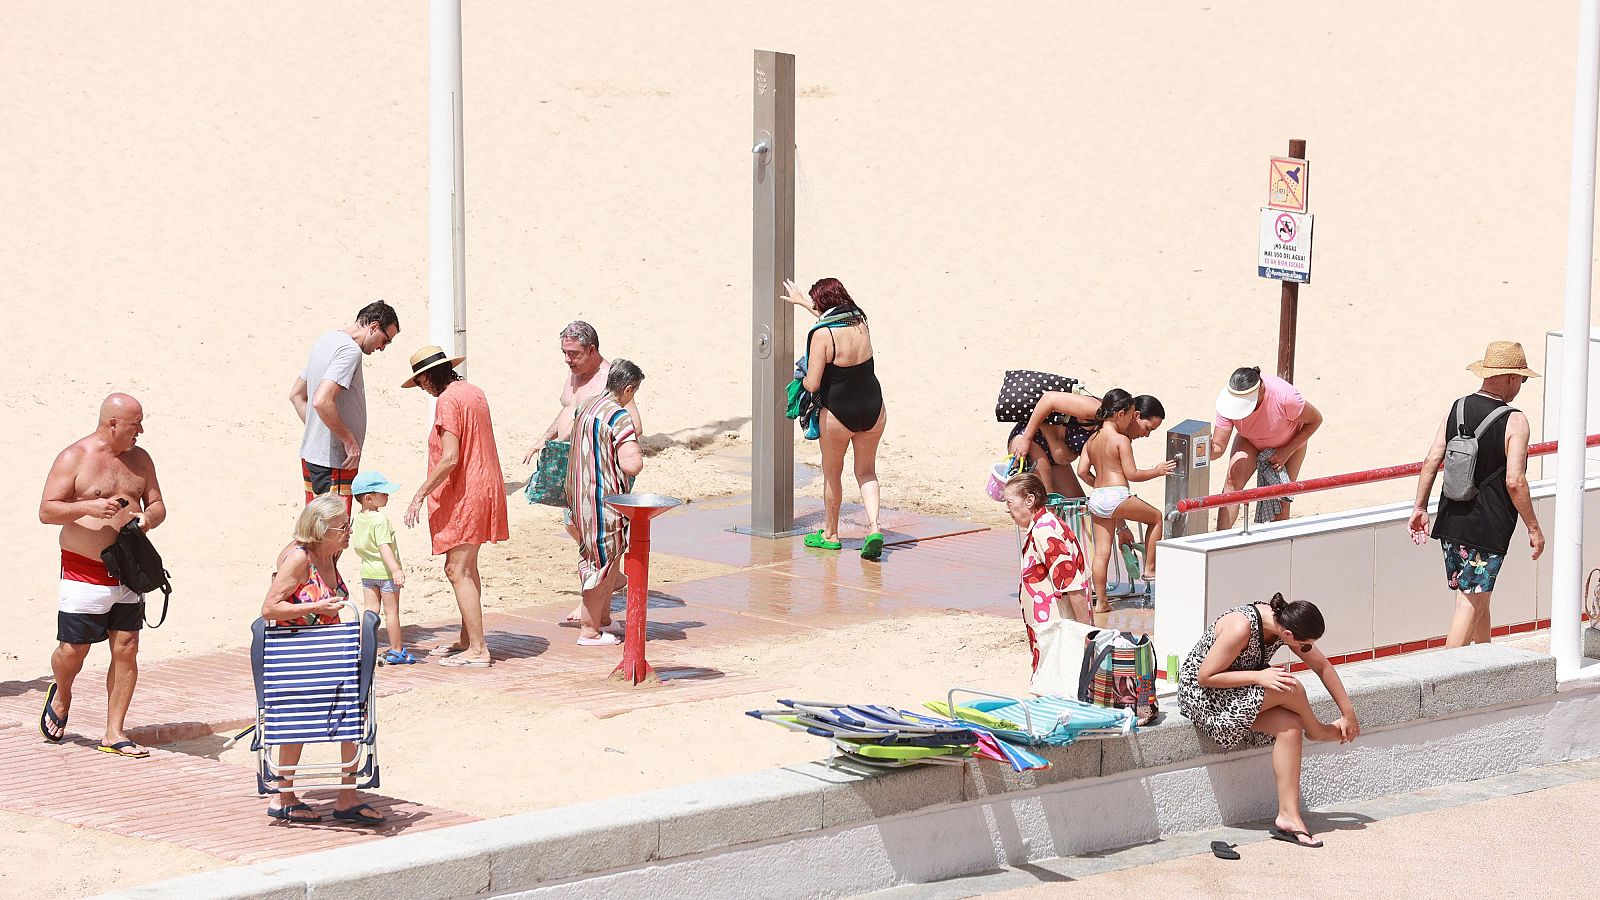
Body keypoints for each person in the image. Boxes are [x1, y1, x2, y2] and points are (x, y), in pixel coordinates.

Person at [37, 393, 167, 758]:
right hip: (83, 569)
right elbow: (47, 511)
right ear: (113, 423)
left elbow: (157, 505)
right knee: (73, 649)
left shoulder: (141, 460)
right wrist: (90, 506)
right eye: (134, 424)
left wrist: (147, 519)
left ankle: (114, 731)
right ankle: (62, 694)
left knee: (126, 646)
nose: (140, 431)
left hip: (128, 568)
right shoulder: (75, 457)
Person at [1178, 593, 1359, 848]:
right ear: (1289, 636)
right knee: (1291, 687)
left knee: (1291, 727)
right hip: (1205, 699)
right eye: (1305, 645)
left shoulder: (1284, 623)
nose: (1306, 650)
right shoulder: (1241, 627)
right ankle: (1317, 731)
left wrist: (1348, 713)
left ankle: (1288, 817)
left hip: (1238, 691)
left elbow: (1323, 667)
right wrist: (1259, 677)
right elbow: (1205, 676)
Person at [1408, 341, 1544, 648]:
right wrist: (1534, 527)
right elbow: (1515, 481)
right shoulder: (1515, 420)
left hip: (1451, 519)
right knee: (1468, 604)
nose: (1520, 386)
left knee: (1479, 597)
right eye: (1521, 380)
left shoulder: (1457, 407)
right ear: (1511, 377)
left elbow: (1431, 459)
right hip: (1487, 526)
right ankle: (1442, 684)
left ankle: (1484, 660)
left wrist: (1419, 507)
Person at [259, 494, 385, 825]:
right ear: (319, 529)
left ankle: (347, 795)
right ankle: (284, 796)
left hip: (327, 648)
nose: (348, 531)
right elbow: (269, 608)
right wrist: (314, 607)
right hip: (296, 653)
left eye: (348, 525)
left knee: (350, 715)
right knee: (295, 720)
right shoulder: (299, 559)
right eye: (341, 527)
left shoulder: (331, 552)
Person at [519, 321, 641, 624]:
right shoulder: (573, 375)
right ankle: (604, 588)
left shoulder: (610, 378)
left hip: (596, 469)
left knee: (593, 533)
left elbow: (633, 424)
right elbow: (567, 410)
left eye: (573, 353)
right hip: (570, 462)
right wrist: (544, 438)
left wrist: (600, 449)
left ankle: (595, 605)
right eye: (564, 352)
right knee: (576, 528)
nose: (567, 359)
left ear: (592, 349)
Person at [401, 346, 510, 668]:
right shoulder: (472, 391)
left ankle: (478, 649)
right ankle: (468, 639)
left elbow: (450, 457)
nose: (422, 389)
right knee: (467, 567)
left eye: (420, 383)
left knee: (456, 569)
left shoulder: (447, 400)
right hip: (487, 486)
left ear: (426, 377)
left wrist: (420, 494)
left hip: (468, 493)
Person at [784, 277, 888, 560]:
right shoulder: (859, 322)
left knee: (832, 474)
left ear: (822, 303)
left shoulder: (822, 336)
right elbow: (830, 317)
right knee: (866, 471)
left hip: (838, 413)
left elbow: (814, 383)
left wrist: (799, 380)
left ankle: (830, 535)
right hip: (873, 407)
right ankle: (875, 528)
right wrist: (802, 302)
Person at [290, 300, 401, 512]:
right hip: (334, 463)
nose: (382, 348)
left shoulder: (325, 340)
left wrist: (319, 431)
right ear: (374, 326)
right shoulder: (350, 351)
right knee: (333, 537)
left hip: (314, 457)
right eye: (385, 340)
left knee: (315, 533)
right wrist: (348, 442)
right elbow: (321, 400)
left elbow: (296, 395)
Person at [567, 360, 647, 645]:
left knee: (598, 557)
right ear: (627, 389)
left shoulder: (587, 405)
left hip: (578, 497)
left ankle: (601, 618)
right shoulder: (618, 415)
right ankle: (589, 630)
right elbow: (632, 463)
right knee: (601, 562)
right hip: (604, 501)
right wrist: (637, 453)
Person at [1076, 391, 1173, 623]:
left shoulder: (1091, 439)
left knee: (1101, 553)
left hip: (1097, 498)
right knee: (1156, 518)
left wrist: (1099, 487)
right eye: (1130, 416)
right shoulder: (1121, 440)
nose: (1131, 421)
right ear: (1120, 414)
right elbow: (1132, 474)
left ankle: (1101, 602)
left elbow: (1081, 471)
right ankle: (1150, 569)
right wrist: (1157, 471)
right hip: (1116, 495)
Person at [1004, 472, 1092, 694]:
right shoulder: (1042, 526)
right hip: (1049, 627)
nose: (1007, 509)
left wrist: (1086, 634)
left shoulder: (1045, 530)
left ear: (1030, 500)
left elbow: (1073, 585)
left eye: (1010, 502)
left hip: (1057, 627)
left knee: (1053, 691)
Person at [1210, 366, 1322, 530]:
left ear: (1261, 389)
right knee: (1232, 481)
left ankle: (1278, 549)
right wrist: (1201, 450)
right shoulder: (1228, 400)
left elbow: (1315, 420)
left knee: (1281, 500)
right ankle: (1218, 540)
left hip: (1289, 443)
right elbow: (1218, 448)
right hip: (1249, 440)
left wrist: (1287, 451)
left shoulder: (1286, 397)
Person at [351, 471, 415, 665]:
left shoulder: (359, 518)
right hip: (385, 574)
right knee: (391, 612)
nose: (388, 495)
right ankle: (397, 650)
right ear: (369, 498)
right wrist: (395, 570)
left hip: (367, 573)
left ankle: (363, 648)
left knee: (370, 610)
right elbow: (384, 547)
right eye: (383, 493)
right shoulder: (380, 520)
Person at [1006, 387, 1103, 497]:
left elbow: (1085, 471)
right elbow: (1049, 398)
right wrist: (1026, 439)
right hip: (1032, 439)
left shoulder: (1118, 433)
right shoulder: (1099, 410)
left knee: (1076, 507)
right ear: (1122, 414)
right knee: (1044, 502)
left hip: (1054, 453)